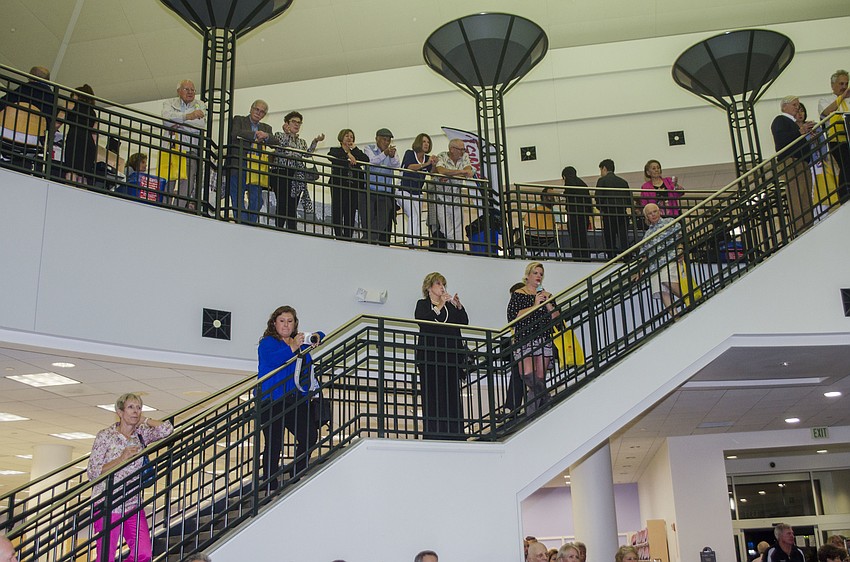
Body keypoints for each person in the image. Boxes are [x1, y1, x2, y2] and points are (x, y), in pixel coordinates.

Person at [87, 393, 174, 562]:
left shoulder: (141, 434)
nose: (135, 411)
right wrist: (121, 458)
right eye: (130, 407)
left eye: (138, 408)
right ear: (120, 412)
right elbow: (93, 472)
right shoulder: (105, 436)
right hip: (107, 502)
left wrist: (145, 420)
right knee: (106, 556)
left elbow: (167, 429)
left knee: (144, 553)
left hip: (132, 502)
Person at [257, 305, 324, 489]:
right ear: (274, 323)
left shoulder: (299, 343)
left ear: (295, 325)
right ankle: (270, 484)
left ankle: (298, 472)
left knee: (309, 435)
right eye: (282, 321)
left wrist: (314, 337)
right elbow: (274, 360)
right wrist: (293, 347)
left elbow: (321, 334)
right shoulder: (268, 343)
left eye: (290, 321)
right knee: (274, 442)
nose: (286, 325)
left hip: (294, 398)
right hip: (271, 400)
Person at [414, 272, 469, 439]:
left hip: (451, 357)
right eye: (438, 283)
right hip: (430, 358)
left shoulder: (449, 306)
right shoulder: (423, 304)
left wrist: (458, 306)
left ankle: (455, 432)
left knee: (452, 394)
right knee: (432, 395)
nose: (442, 287)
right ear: (429, 287)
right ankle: (434, 432)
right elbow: (423, 321)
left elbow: (463, 322)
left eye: (443, 283)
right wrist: (438, 306)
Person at [507, 262, 557, 415]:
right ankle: (546, 398)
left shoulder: (547, 295)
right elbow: (513, 317)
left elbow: (556, 317)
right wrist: (535, 304)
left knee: (540, 376)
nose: (538, 277)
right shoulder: (518, 294)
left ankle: (532, 414)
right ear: (527, 276)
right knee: (527, 373)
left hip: (542, 337)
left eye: (541, 274)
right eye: (535, 273)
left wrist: (547, 303)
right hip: (524, 338)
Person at [272, 111, 324, 230]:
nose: (297, 124)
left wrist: (315, 141)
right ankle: (278, 228)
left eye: (299, 123)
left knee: (292, 205)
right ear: (286, 123)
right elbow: (280, 148)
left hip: (297, 175)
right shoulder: (279, 135)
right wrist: (287, 134)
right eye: (294, 122)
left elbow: (307, 155)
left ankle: (292, 229)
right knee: (282, 203)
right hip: (281, 172)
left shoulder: (302, 142)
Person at [771, 95, 815, 234]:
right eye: (794, 105)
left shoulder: (796, 124)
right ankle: (800, 228)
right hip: (791, 161)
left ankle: (809, 225)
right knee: (796, 195)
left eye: (798, 105)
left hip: (802, 162)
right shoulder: (780, 120)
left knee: (806, 195)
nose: (797, 107)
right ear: (784, 107)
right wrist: (799, 132)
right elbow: (781, 141)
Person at [161, 80, 206, 208]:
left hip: (190, 149)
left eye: (193, 90)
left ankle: (178, 208)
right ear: (179, 91)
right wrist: (189, 116)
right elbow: (166, 120)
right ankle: (165, 207)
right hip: (170, 147)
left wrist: (178, 122)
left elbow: (199, 126)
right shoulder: (169, 103)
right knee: (168, 180)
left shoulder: (200, 104)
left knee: (187, 181)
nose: (190, 92)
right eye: (187, 89)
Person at [632, 203, 683, 313]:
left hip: (670, 259)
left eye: (655, 211)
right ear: (647, 217)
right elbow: (645, 256)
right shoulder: (647, 235)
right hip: (654, 267)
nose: (653, 215)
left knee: (666, 280)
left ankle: (689, 297)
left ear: (659, 211)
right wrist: (639, 271)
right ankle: (676, 318)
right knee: (662, 291)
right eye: (650, 213)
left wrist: (681, 251)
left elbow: (680, 237)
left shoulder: (670, 222)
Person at [228, 100, 273, 223]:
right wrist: (255, 135)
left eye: (262, 112)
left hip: (256, 167)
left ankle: (250, 223)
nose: (259, 113)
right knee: (237, 196)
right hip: (239, 163)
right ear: (251, 108)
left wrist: (266, 136)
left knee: (257, 199)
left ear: (264, 115)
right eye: (257, 109)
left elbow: (275, 141)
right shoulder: (239, 120)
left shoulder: (266, 128)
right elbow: (235, 133)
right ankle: (242, 222)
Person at [433, 139, 475, 250]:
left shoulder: (464, 157)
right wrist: (461, 172)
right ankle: (456, 251)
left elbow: (469, 171)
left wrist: (449, 175)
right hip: (441, 200)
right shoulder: (442, 156)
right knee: (447, 230)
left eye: (463, 149)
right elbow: (441, 170)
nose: (463, 151)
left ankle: (457, 252)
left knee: (458, 229)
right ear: (452, 149)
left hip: (457, 199)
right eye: (461, 149)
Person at [327, 128, 368, 238]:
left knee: (350, 212)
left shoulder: (356, 153)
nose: (349, 138)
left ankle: (348, 236)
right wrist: (347, 155)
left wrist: (354, 149)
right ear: (341, 138)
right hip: (339, 185)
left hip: (353, 186)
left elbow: (366, 159)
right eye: (347, 136)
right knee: (338, 210)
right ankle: (339, 235)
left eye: (351, 136)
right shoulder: (336, 150)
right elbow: (333, 156)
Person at [362, 128, 400, 244]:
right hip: (370, 189)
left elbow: (396, 165)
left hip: (385, 191)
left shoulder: (391, 152)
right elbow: (372, 160)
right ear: (377, 139)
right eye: (384, 139)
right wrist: (385, 154)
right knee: (368, 218)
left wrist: (392, 156)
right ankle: (370, 240)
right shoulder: (369, 148)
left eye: (388, 140)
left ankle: (366, 239)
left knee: (383, 218)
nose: (387, 142)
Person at [818, 69, 850, 202]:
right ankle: (845, 196)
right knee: (846, 164)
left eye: (846, 84)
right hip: (836, 139)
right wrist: (842, 97)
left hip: (849, 137)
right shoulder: (825, 100)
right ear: (833, 85)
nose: (844, 87)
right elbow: (826, 112)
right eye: (841, 84)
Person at [400, 133, 437, 247]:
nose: (426, 144)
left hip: (418, 193)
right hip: (404, 190)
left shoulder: (427, 158)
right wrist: (426, 164)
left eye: (428, 142)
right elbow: (410, 167)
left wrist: (434, 164)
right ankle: (412, 244)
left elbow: (432, 173)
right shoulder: (410, 153)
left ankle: (414, 241)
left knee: (416, 217)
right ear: (418, 143)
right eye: (424, 141)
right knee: (414, 215)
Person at [596, 158, 632, 260]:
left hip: (609, 213)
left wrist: (601, 208)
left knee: (610, 237)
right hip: (622, 213)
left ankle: (612, 258)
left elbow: (598, 198)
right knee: (623, 237)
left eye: (601, 170)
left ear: (604, 168)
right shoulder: (623, 182)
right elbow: (629, 200)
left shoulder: (602, 180)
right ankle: (626, 257)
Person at [62, 84, 98, 185]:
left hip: (75, 138)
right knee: (83, 176)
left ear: (78, 95)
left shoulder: (72, 104)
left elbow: (59, 118)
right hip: (88, 142)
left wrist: (50, 131)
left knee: (71, 172)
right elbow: (94, 134)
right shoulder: (93, 112)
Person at [561, 166, 592, 260]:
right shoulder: (582, 184)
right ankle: (585, 256)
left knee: (575, 239)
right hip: (583, 216)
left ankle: (577, 257)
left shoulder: (569, 183)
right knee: (583, 237)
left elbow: (568, 194)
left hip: (574, 215)